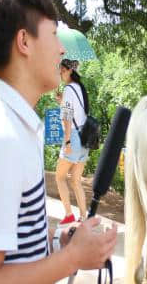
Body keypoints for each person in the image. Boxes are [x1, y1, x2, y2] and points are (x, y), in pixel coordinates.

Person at [0, 0, 117, 284]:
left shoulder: (13, 128)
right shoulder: (0, 139)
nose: (60, 49)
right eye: (53, 34)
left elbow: (14, 252)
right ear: (24, 42)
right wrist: (72, 258)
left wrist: (59, 243)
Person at [55, 58, 90, 224]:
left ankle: (69, 213)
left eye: (62, 70)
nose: (60, 73)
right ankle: (84, 217)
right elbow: (76, 113)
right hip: (85, 139)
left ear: (70, 71)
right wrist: (62, 102)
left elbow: (68, 117)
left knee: (60, 177)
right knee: (76, 181)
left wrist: (67, 141)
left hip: (74, 137)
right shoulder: (79, 89)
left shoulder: (69, 88)